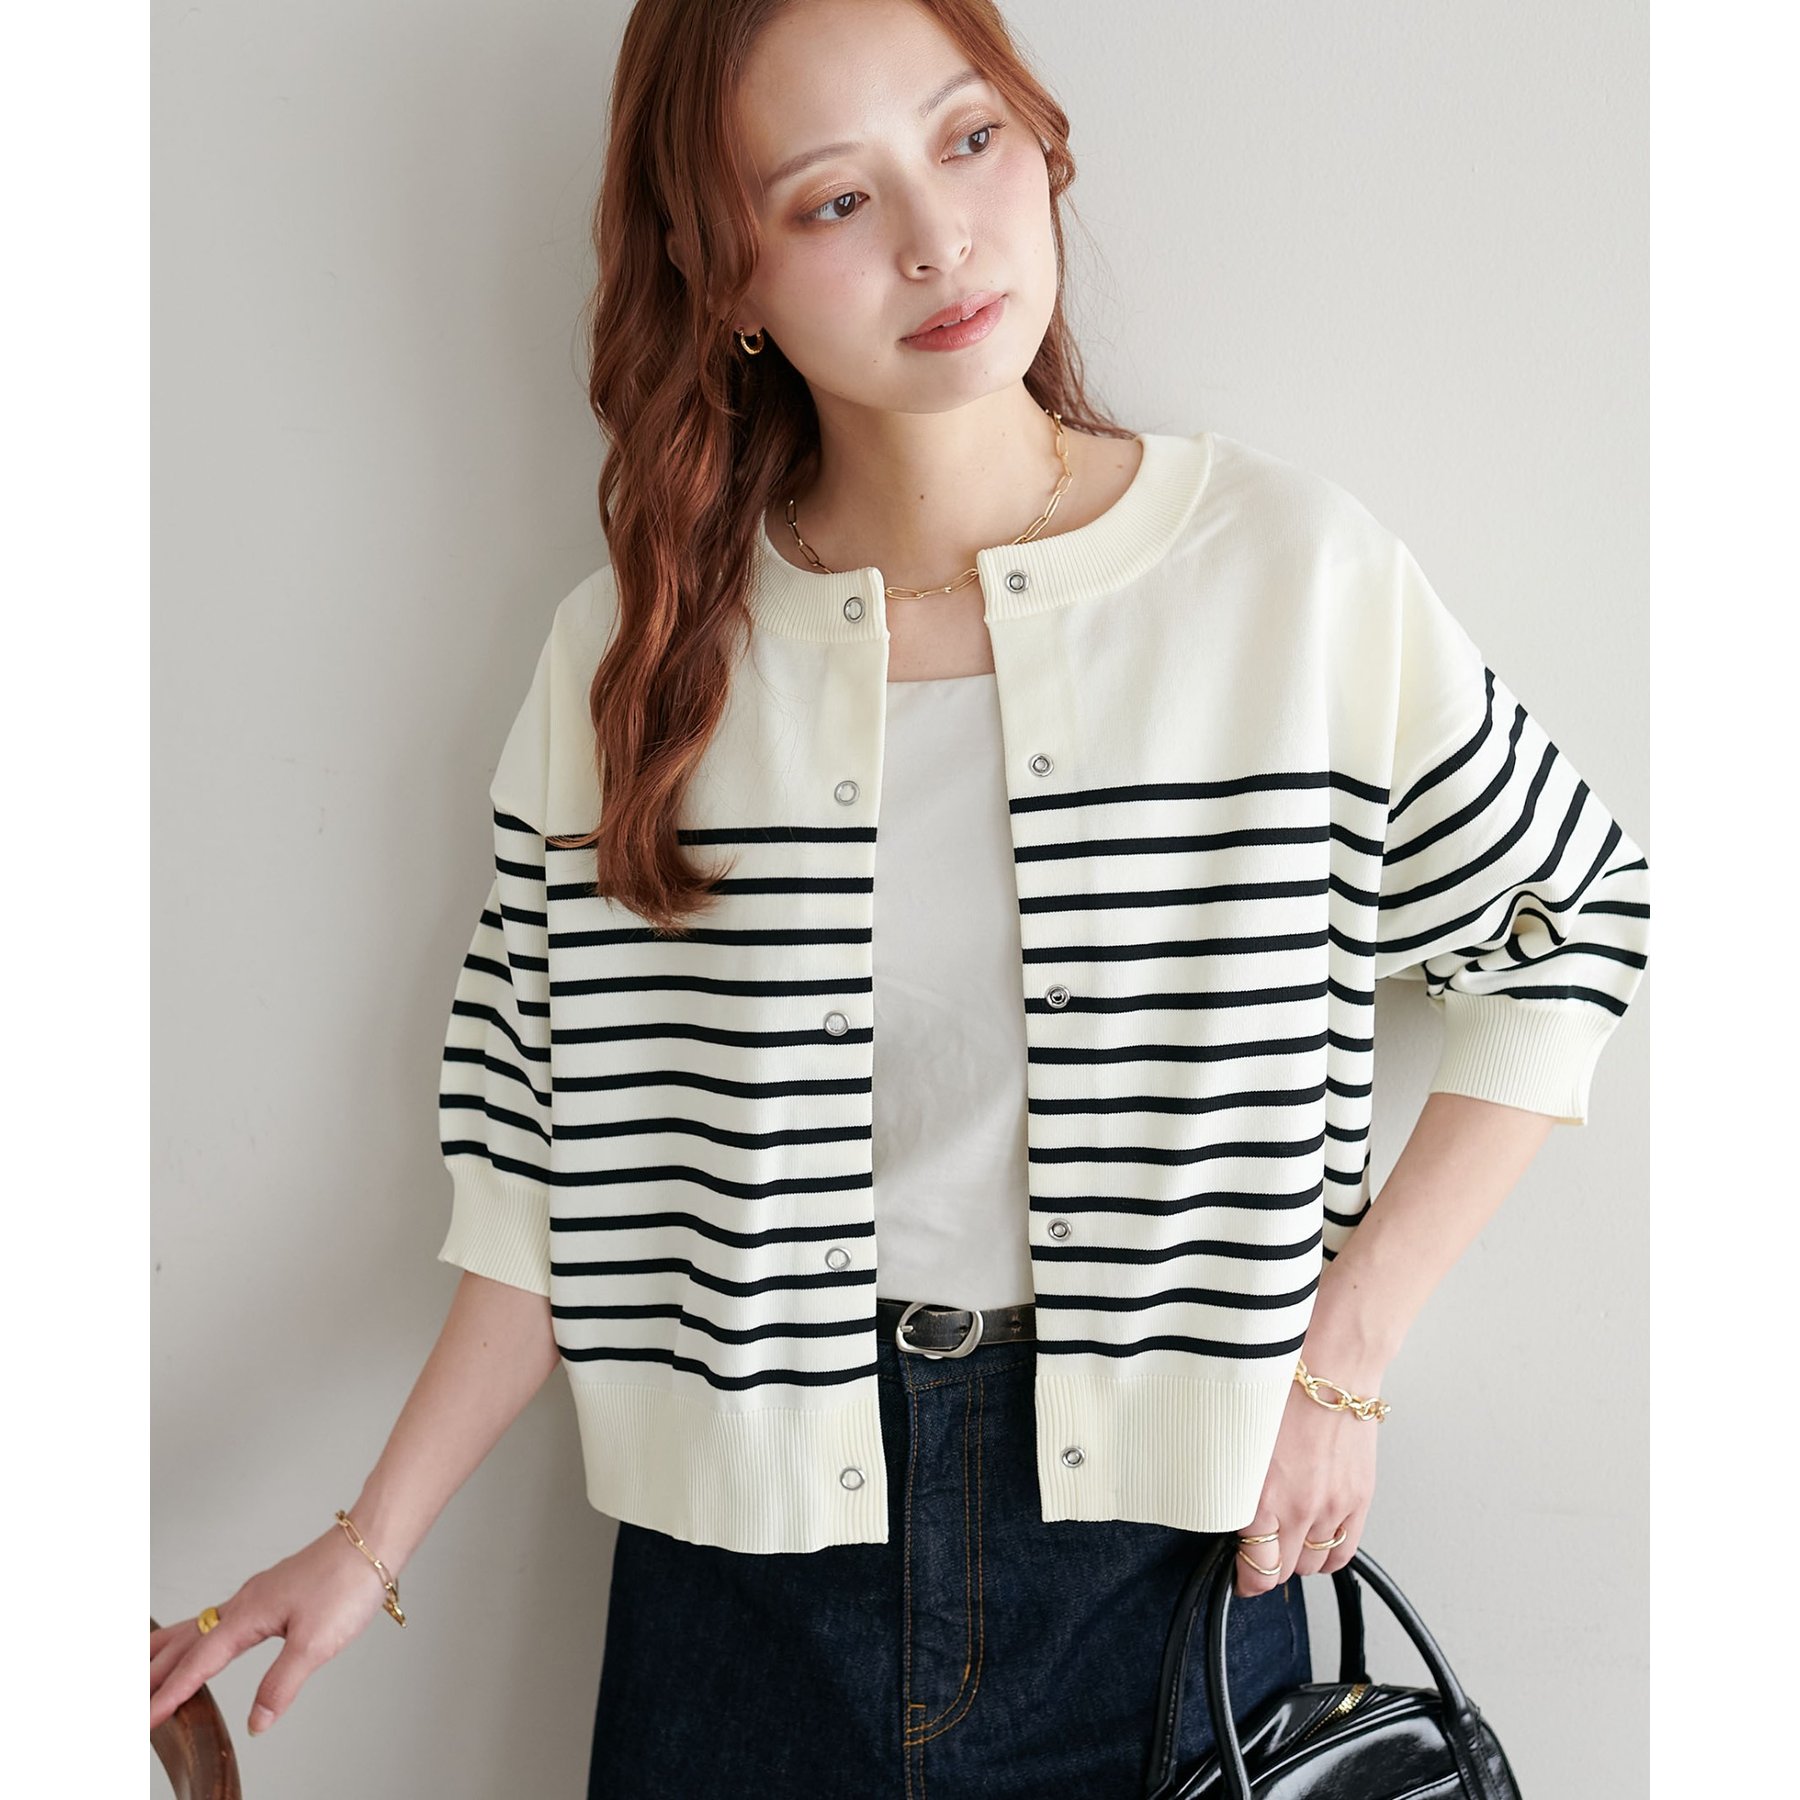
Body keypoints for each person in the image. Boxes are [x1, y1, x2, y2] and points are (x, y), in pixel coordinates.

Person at [150, 1, 1652, 1794]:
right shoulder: (640, 660)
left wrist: (1345, 1353)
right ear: (727, 280)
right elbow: (545, 1167)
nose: (939, 239)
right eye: (833, 200)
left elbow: (1574, 924)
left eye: (967, 139)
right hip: (740, 1589)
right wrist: (367, 1544)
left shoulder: (1282, 579)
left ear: (1041, 139)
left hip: (1167, 1580)